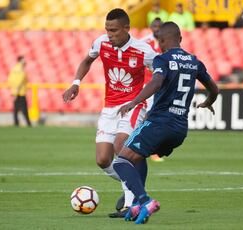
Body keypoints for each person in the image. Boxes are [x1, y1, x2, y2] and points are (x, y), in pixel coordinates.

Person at [112, 22, 219, 224]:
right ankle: (136, 204)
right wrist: (208, 102)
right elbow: (214, 89)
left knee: (121, 160)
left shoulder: (163, 59)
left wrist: (134, 101)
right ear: (180, 38)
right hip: (179, 130)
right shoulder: (194, 61)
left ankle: (145, 200)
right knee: (138, 156)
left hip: (159, 123)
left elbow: (157, 82)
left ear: (160, 41)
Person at [62, 8, 157, 218]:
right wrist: (75, 83)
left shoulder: (144, 50)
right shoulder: (101, 43)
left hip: (133, 106)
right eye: (107, 30)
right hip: (110, 107)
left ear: (126, 28)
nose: (109, 35)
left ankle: (131, 202)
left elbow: (161, 74)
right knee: (103, 160)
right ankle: (134, 186)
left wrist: (149, 103)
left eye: (114, 30)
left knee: (120, 146)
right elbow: (87, 60)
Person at [141, 17, 164, 162]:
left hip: (162, 87)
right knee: (148, 117)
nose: (156, 28)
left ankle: (152, 148)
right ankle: (147, 148)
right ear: (150, 27)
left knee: (157, 118)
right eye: (154, 26)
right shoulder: (144, 43)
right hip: (148, 86)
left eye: (159, 26)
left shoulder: (166, 43)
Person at [7, 56, 31, 127]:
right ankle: (28, 123)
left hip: (14, 91)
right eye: (23, 60)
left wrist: (13, 91)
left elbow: (10, 80)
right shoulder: (21, 69)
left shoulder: (13, 69)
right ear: (20, 61)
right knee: (24, 109)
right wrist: (17, 91)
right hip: (20, 92)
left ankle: (16, 123)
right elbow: (20, 81)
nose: (25, 62)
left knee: (16, 109)